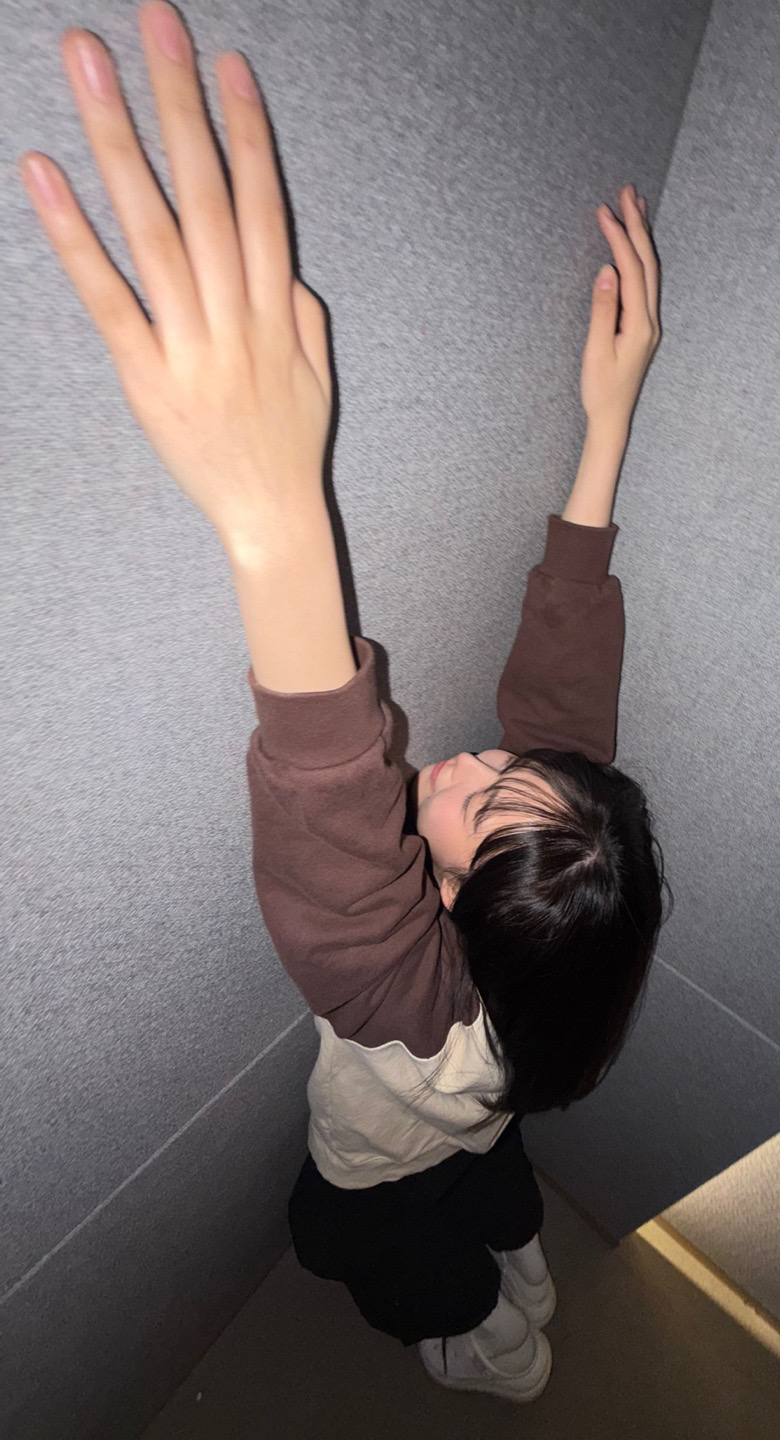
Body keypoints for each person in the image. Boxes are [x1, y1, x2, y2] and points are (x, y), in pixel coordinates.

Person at [20, 0, 670, 1404]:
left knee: (343, 1239)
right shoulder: (544, 955)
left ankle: (491, 1349)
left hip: (381, 1164)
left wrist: (275, 520)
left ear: (455, 907)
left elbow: (334, 841)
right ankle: (522, 1259)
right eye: (514, 777)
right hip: (486, 1123)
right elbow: (566, 713)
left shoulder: (409, 1002)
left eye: (480, 807)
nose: (480, 759)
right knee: (492, 1174)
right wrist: (608, 418)